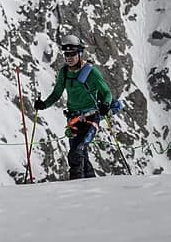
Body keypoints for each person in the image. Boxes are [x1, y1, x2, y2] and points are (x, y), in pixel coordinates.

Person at [33, 34, 122, 179]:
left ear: (80, 53)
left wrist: (106, 104)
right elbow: (56, 93)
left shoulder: (91, 72)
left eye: (73, 53)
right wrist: (43, 105)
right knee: (82, 157)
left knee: (77, 152)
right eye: (67, 53)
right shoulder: (64, 73)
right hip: (73, 120)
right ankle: (90, 185)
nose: (69, 57)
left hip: (91, 118)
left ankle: (76, 189)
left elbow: (106, 92)